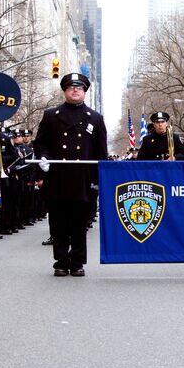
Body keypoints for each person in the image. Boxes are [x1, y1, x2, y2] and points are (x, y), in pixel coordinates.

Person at [33, 72, 108, 277]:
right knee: (58, 222)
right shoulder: (51, 115)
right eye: (71, 87)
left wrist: (99, 181)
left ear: (84, 91)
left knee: (78, 223)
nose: (75, 90)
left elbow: (101, 153)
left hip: (82, 179)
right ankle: (60, 261)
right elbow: (40, 143)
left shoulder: (95, 118)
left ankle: (76, 262)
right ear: (65, 91)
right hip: (57, 177)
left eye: (79, 87)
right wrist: (43, 159)